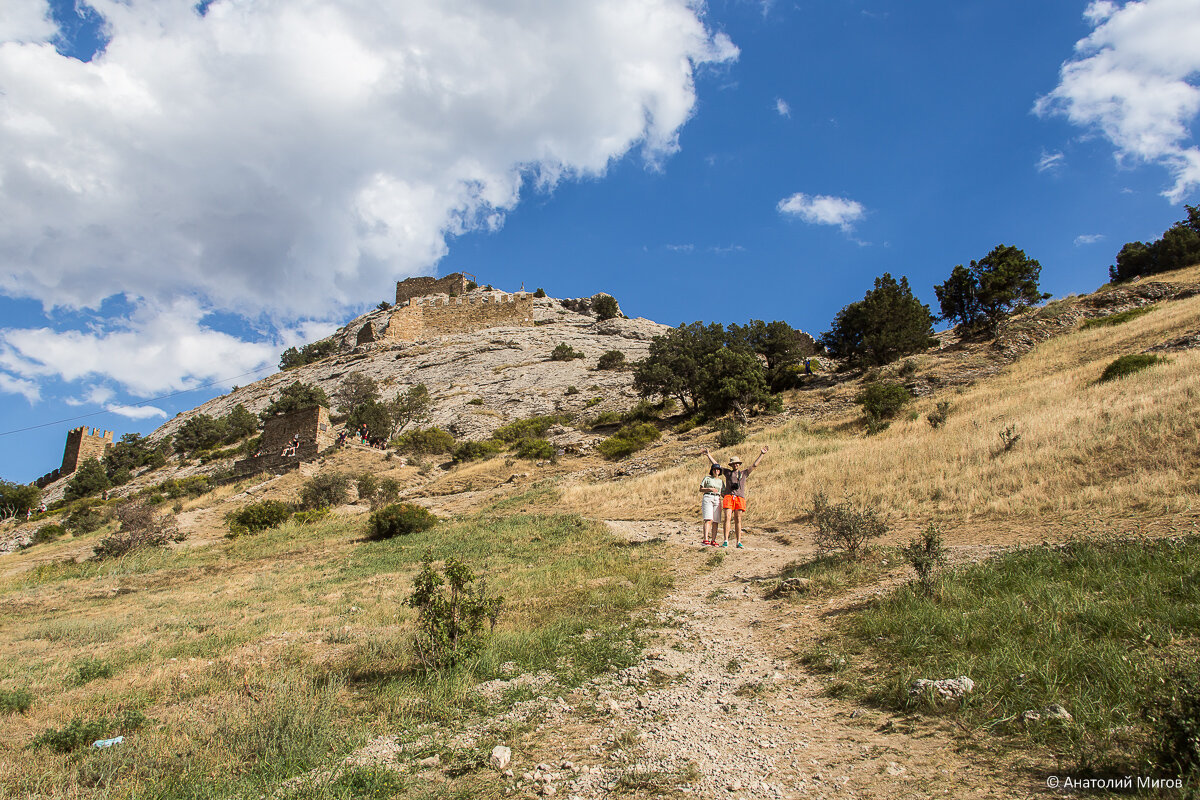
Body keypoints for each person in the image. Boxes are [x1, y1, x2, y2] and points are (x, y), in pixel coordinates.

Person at [702, 445, 769, 548]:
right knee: (727, 517)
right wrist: (708, 455)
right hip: (728, 497)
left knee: (738, 519)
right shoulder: (728, 473)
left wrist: (762, 454)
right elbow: (716, 465)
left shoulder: (744, 473)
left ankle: (738, 541)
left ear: (739, 464)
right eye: (733, 463)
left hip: (740, 497)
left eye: (737, 463)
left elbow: (754, 465)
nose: (735, 465)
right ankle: (726, 540)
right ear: (731, 464)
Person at [699, 464, 725, 546]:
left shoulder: (721, 482)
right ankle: (705, 539)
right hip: (708, 496)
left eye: (718, 469)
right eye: (715, 469)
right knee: (708, 519)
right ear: (712, 470)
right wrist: (709, 489)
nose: (716, 471)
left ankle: (713, 540)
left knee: (716, 520)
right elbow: (701, 489)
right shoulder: (707, 478)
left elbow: (723, 492)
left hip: (717, 498)